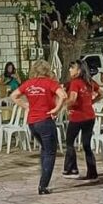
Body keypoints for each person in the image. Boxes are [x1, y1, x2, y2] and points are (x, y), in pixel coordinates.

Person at [11, 60, 67, 196]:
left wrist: (26, 106)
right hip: (45, 120)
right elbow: (63, 95)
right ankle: (43, 185)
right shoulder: (50, 83)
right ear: (47, 70)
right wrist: (56, 109)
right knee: (50, 152)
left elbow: (13, 96)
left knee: (45, 149)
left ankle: (43, 178)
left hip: (32, 123)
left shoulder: (28, 84)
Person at [63, 60, 103, 181]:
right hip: (89, 117)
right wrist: (91, 102)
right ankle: (93, 173)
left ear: (79, 70)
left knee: (69, 143)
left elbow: (72, 99)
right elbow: (102, 93)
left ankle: (72, 169)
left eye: (72, 68)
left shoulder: (75, 82)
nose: (70, 70)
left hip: (77, 117)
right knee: (86, 145)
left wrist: (62, 106)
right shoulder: (89, 82)